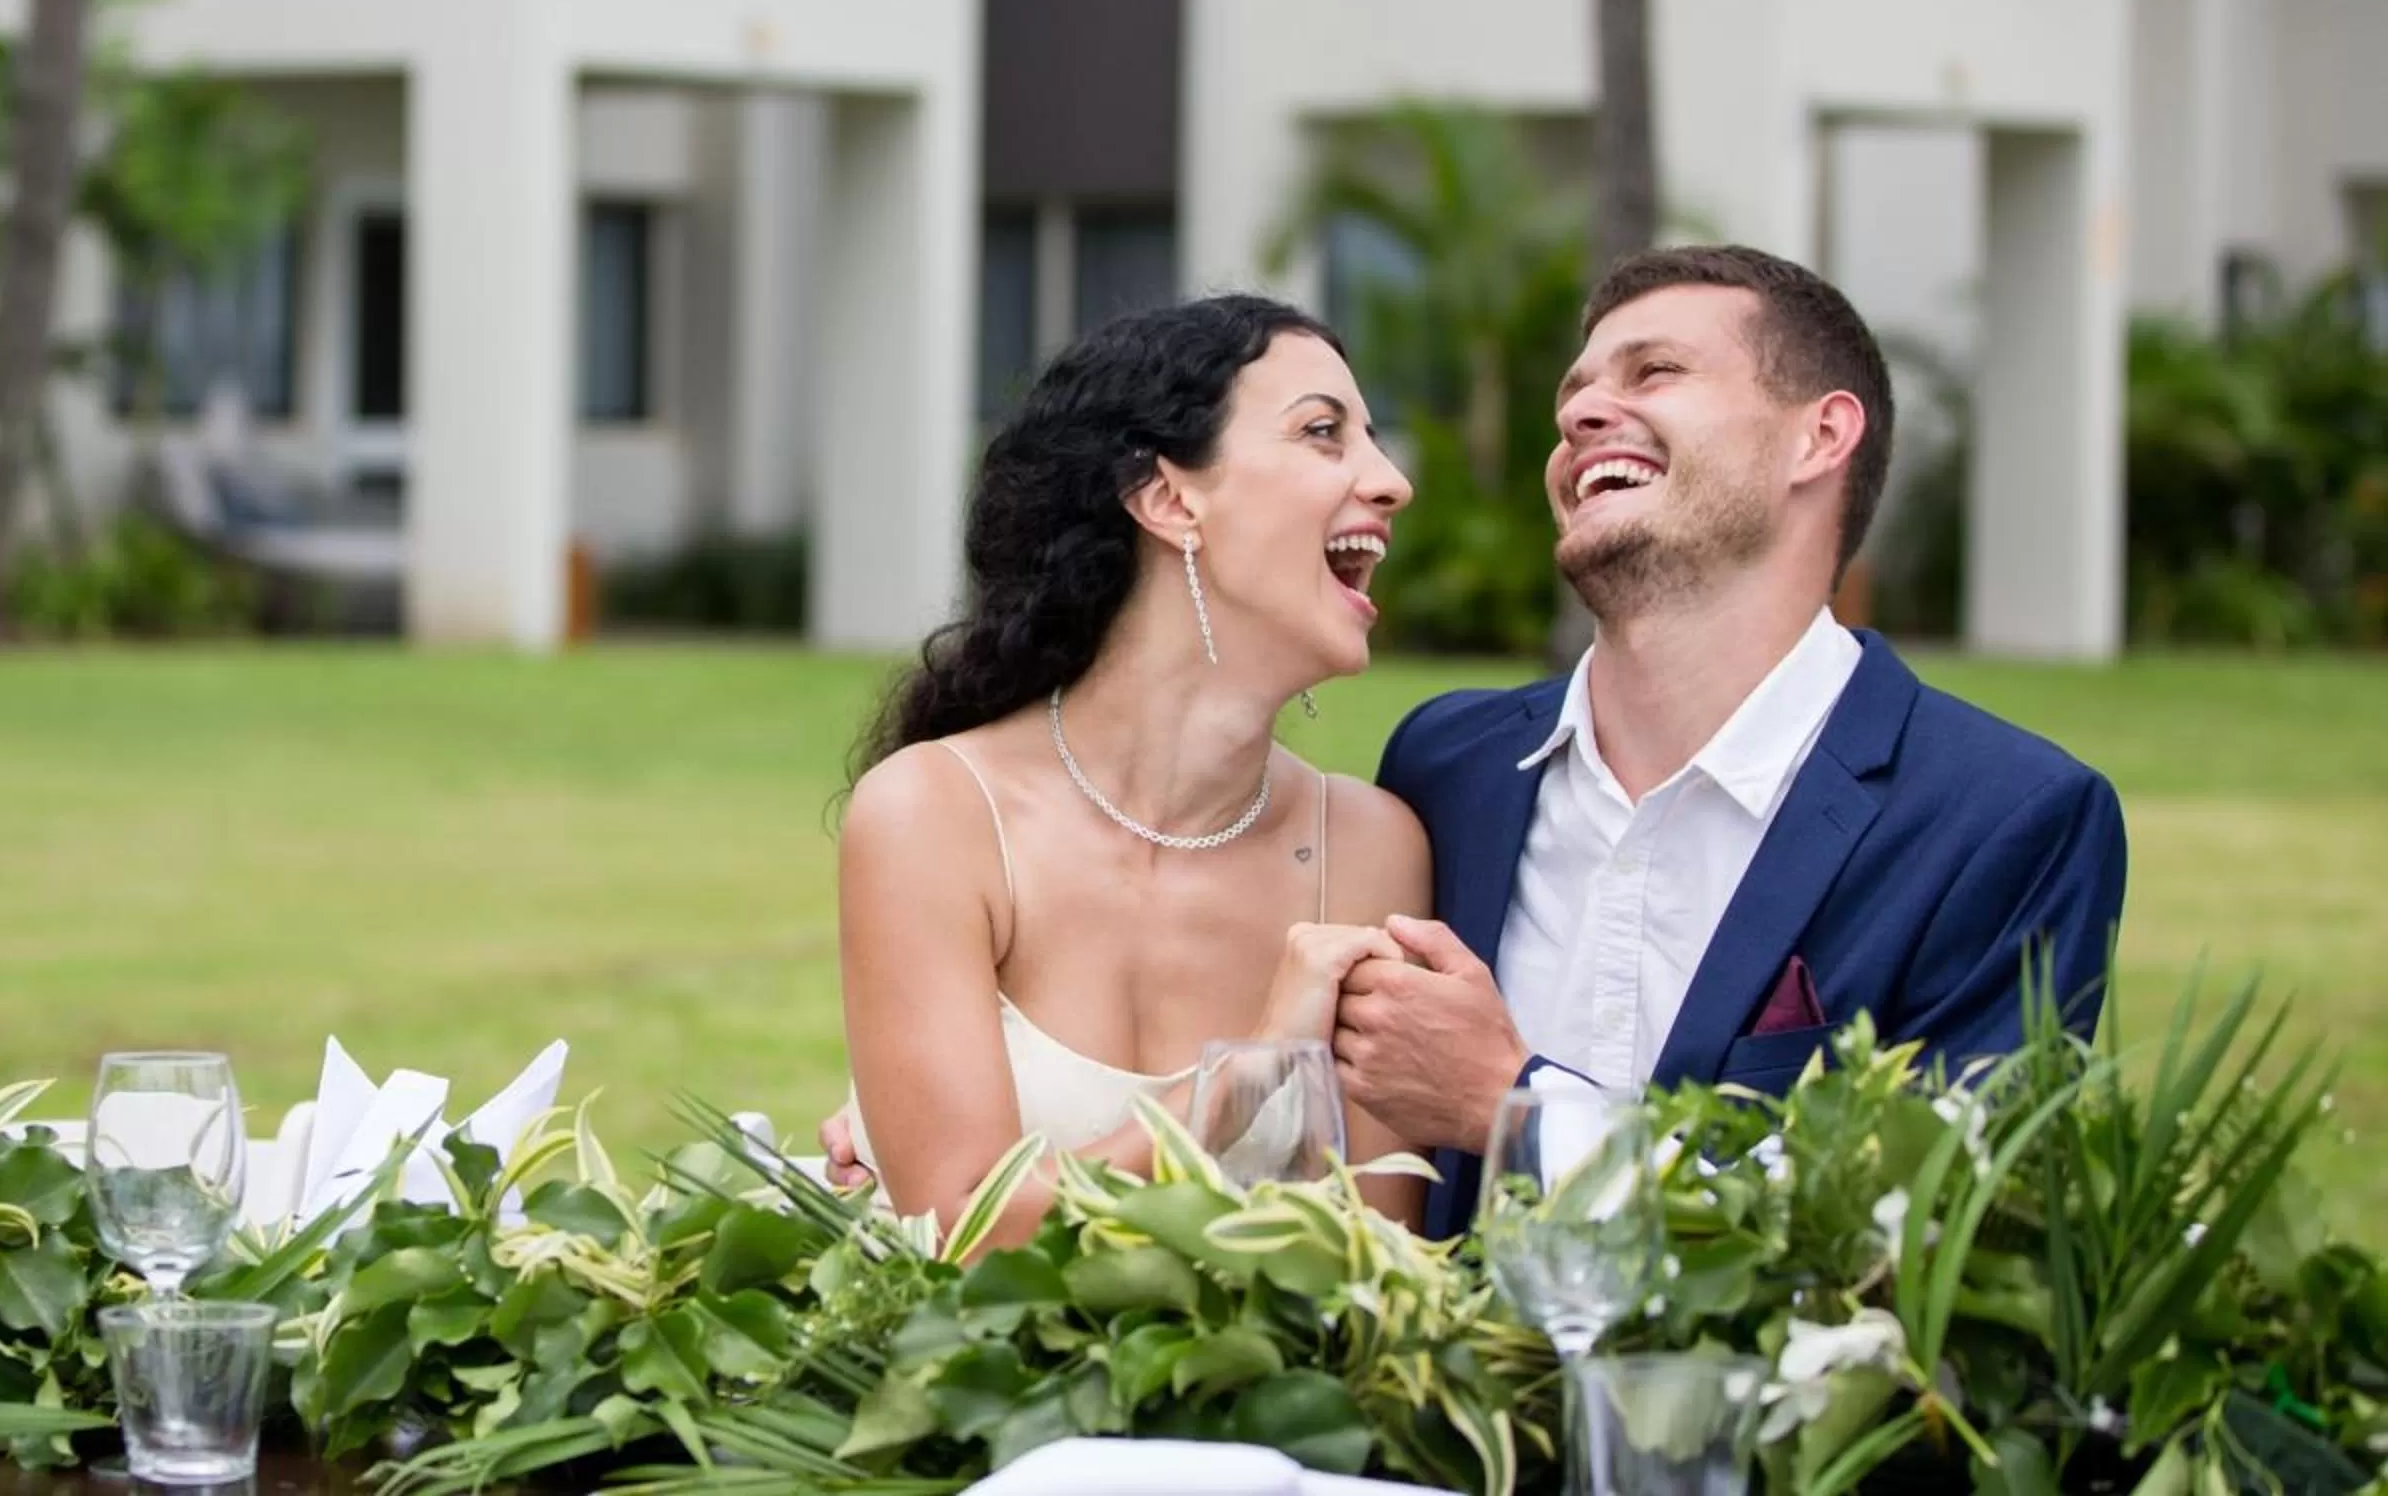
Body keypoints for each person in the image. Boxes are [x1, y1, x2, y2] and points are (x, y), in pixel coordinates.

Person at [1326, 245, 2129, 1236]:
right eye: (1573, 393)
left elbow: (1941, 1229)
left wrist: (1514, 1107)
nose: (1579, 414)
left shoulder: (2008, 821)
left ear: (1820, 436)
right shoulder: (1446, 769)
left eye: (1654, 372)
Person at [832, 294, 1430, 1240]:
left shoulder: (1368, 848)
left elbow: (1381, 1261)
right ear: (1167, 498)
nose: (1389, 481)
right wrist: (1247, 1076)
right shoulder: (935, 815)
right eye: (1323, 433)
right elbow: (965, 1235)